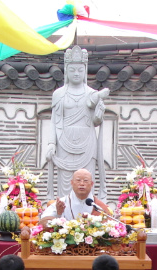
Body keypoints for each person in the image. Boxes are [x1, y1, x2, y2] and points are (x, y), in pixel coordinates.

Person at [45, 44, 110, 200]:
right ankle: (62, 221)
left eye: (80, 70)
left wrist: (99, 114)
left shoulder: (92, 94)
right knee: (66, 183)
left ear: (85, 71)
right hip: (63, 141)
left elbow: (95, 121)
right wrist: (51, 143)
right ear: (66, 71)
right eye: (72, 70)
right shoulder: (58, 94)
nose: (76, 73)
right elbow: (54, 121)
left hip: (87, 141)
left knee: (85, 181)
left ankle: (89, 219)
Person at [39, 168, 110, 225]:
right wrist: (58, 214)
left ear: (91, 184)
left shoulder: (99, 206)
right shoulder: (62, 203)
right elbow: (43, 223)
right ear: (72, 183)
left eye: (85, 181)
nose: (82, 184)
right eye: (78, 180)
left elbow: (109, 226)